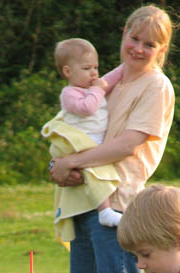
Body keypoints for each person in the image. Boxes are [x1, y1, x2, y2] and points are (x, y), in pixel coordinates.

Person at [49, 5, 175, 273]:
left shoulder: (156, 86)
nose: (138, 48)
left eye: (149, 44)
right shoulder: (105, 83)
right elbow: (77, 129)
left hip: (119, 207)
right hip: (85, 201)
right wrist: (59, 164)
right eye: (133, 39)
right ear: (123, 34)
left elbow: (128, 144)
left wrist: (75, 161)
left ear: (161, 48)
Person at [42, 38, 124, 240]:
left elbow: (110, 79)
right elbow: (86, 108)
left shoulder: (92, 87)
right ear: (68, 72)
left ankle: (103, 210)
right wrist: (98, 88)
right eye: (87, 68)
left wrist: (126, 67)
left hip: (90, 140)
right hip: (78, 142)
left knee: (95, 171)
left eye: (96, 67)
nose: (94, 73)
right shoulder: (70, 93)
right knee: (95, 172)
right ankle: (104, 211)